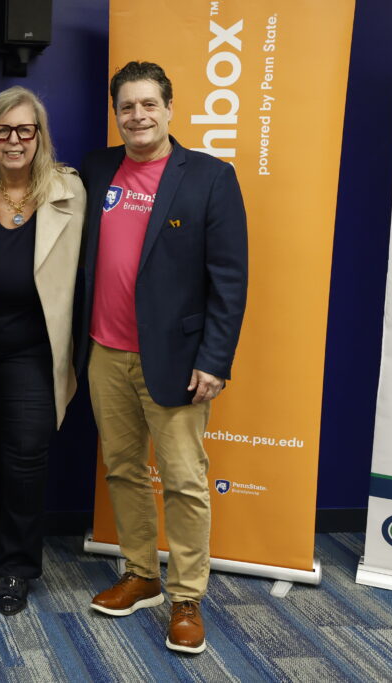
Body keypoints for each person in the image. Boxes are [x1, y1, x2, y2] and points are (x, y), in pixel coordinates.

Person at [75, 61, 248, 655]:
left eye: (149, 104)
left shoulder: (210, 178)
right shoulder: (98, 169)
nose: (138, 116)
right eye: (127, 106)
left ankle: (187, 597)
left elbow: (229, 278)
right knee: (122, 470)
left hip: (176, 359)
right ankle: (141, 573)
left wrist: (215, 360)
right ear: (116, 113)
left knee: (183, 480)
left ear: (170, 108)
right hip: (105, 352)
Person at [0, 87, 85, 615]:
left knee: (26, 459)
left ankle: (18, 566)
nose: (14, 140)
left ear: (39, 136)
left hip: (34, 350)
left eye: (25, 130)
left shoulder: (70, 191)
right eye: (2, 130)